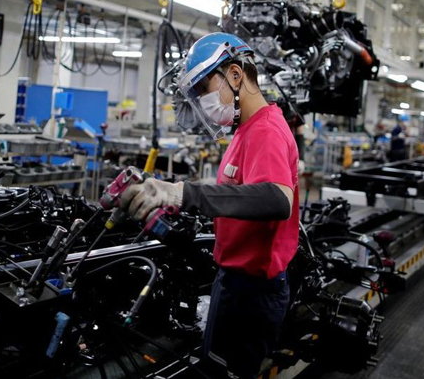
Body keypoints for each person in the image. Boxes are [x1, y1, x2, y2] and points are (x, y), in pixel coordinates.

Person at [120, 33, 297, 379]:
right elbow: (238, 198)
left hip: (252, 294)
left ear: (236, 75)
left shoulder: (266, 130)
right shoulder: (245, 130)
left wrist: (183, 194)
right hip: (234, 283)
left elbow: (278, 199)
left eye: (204, 88)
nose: (203, 101)